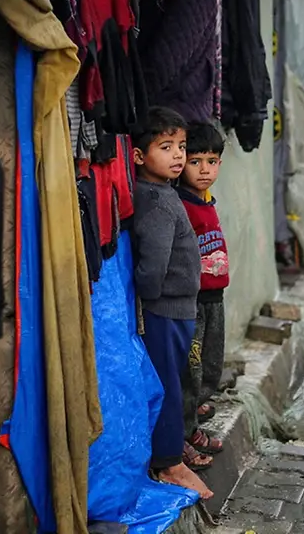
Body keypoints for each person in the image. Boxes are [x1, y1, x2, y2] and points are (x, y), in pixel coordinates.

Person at [131, 106, 212, 499]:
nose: (179, 155)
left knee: (173, 382)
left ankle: (171, 452)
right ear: (138, 155)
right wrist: (149, 297)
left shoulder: (163, 192)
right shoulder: (157, 202)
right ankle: (169, 463)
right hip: (164, 312)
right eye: (166, 147)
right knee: (168, 387)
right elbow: (152, 267)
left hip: (176, 309)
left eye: (180, 146)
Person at [177, 122, 229, 468]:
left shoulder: (207, 201)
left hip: (214, 298)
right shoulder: (181, 205)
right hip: (192, 300)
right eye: (195, 162)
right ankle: (182, 436)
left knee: (211, 364)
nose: (204, 170)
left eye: (211, 161)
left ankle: (193, 419)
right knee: (190, 370)